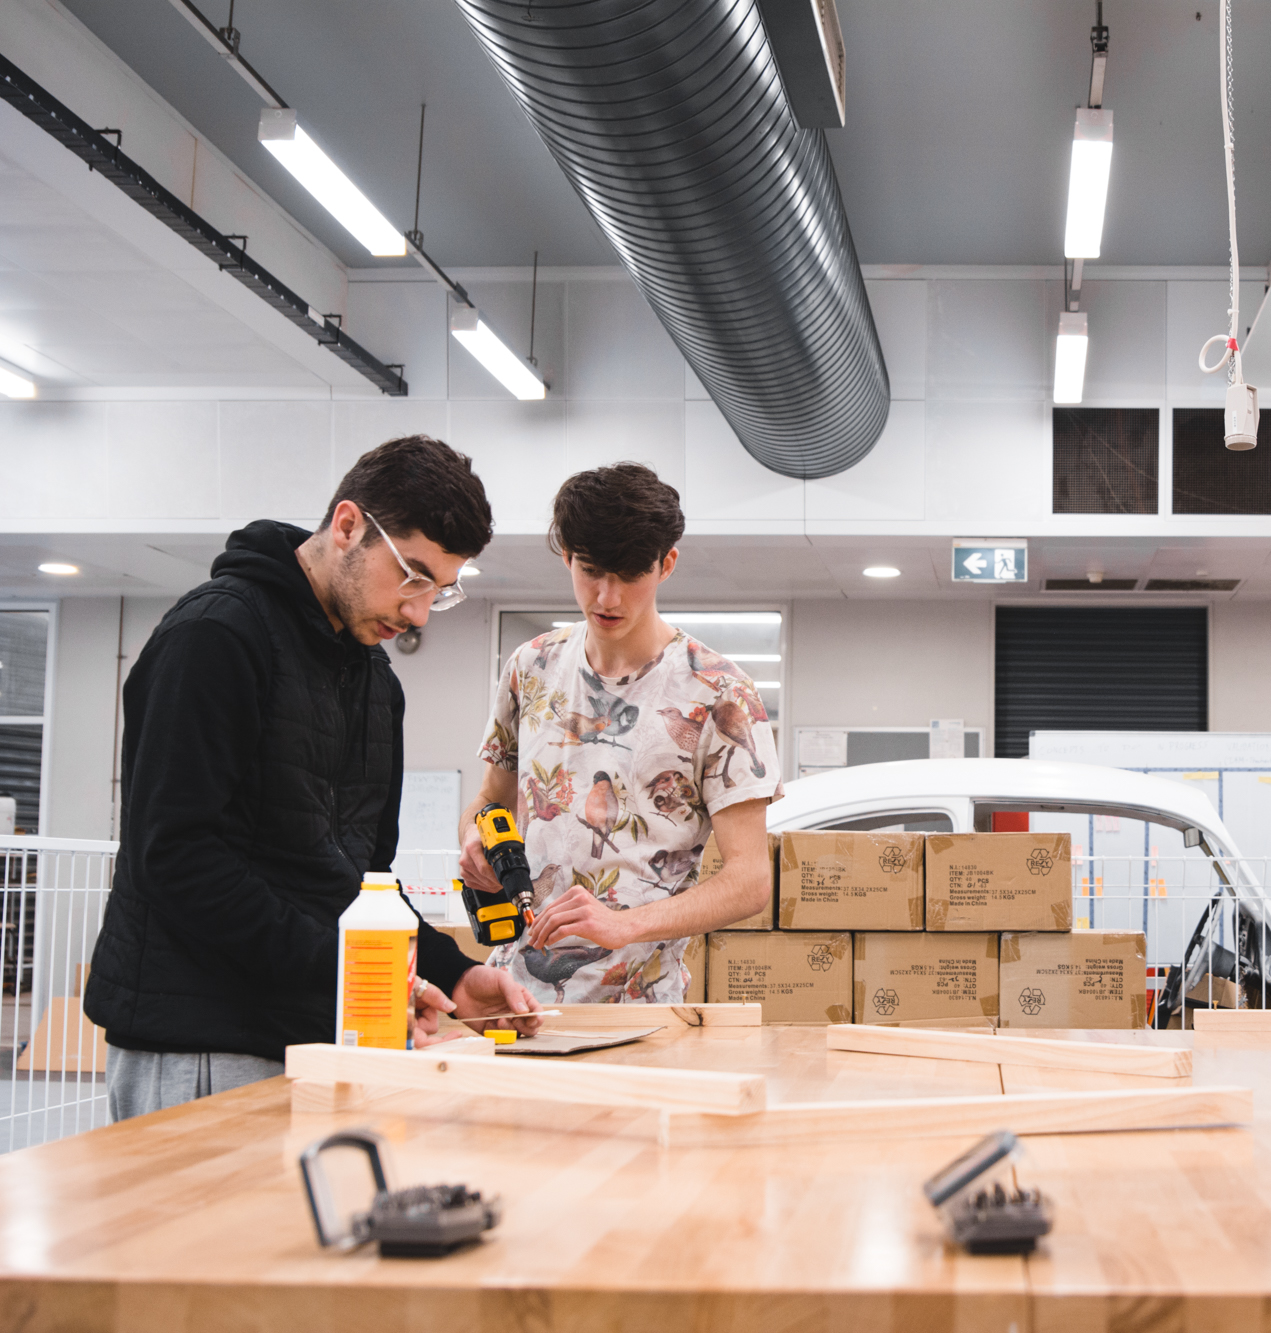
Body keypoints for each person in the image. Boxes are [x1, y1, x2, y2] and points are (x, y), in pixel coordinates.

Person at [85, 436, 541, 1122]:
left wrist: (452, 973)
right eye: (411, 576)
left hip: (322, 1033)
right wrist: (355, 969)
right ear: (348, 525)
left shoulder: (376, 682)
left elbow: (363, 884)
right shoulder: (215, 636)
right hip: (204, 1040)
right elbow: (176, 859)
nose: (418, 611)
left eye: (439, 591)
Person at [458, 463, 779, 1005]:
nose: (607, 597)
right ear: (567, 556)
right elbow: (490, 800)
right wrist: (473, 840)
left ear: (666, 564)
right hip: (515, 998)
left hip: (639, 1009)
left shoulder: (720, 692)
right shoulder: (530, 666)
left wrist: (626, 924)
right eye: (591, 571)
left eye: (629, 576)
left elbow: (750, 881)